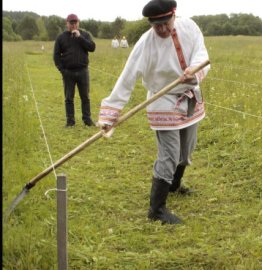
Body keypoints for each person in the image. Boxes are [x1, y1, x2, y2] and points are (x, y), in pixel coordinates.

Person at [97, 0, 210, 224]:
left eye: (165, 23)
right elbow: (127, 77)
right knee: (169, 154)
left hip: (189, 95)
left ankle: (174, 186)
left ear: (174, 15)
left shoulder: (190, 27)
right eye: (156, 25)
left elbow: (201, 54)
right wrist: (111, 114)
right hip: (162, 99)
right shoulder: (145, 43)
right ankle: (156, 209)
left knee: (187, 148)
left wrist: (194, 73)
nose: (161, 29)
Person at [54, 14, 96, 127]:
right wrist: (62, 70)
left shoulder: (85, 34)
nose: (73, 25)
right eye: (71, 23)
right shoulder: (61, 37)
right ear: (66, 23)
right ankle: (70, 121)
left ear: (78, 22)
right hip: (68, 73)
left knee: (85, 97)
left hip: (83, 71)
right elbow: (56, 55)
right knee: (69, 98)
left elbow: (92, 48)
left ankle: (87, 120)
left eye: (75, 22)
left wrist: (80, 37)